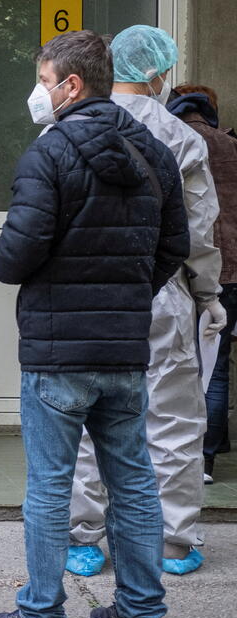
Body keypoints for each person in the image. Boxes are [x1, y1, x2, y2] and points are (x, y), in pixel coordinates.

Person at [0, 30, 189, 618]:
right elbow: (174, 250)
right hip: (124, 349)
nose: (39, 93)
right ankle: (142, 611)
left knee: (50, 485)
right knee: (133, 479)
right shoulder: (155, 153)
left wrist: (6, 253)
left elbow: (14, 259)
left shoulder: (47, 155)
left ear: (70, 85)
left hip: (56, 354)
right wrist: (127, 295)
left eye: (44, 81)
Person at [67, 25, 224, 579]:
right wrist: (208, 291)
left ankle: (80, 538)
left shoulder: (70, 127)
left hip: (84, 297)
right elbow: (199, 229)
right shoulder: (181, 137)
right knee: (173, 421)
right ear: (156, 73)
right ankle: (173, 541)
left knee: (82, 417)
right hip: (161, 293)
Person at [169, 84, 237, 483]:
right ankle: (211, 453)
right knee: (219, 364)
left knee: (188, 366)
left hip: (194, 269)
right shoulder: (231, 145)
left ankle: (196, 459)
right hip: (233, 270)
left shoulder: (175, 142)